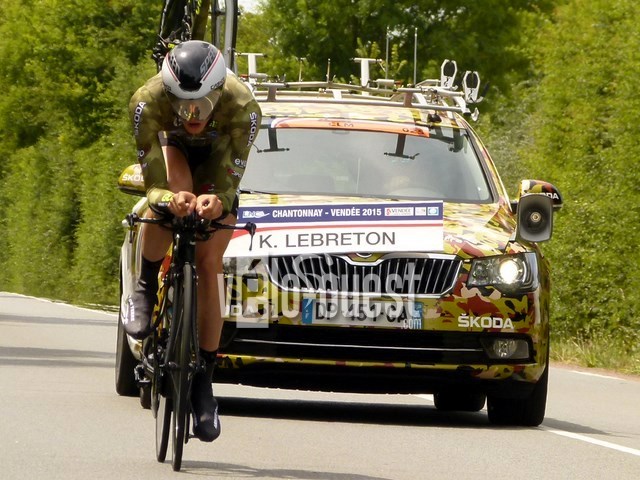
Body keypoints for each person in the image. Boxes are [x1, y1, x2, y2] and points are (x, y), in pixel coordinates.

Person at [125, 39, 261, 442]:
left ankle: (204, 379)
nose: (192, 115)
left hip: (220, 155)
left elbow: (229, 183)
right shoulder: (147, 102)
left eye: (202, 104)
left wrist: (219, 202)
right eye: (183, 105)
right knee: (173, 199)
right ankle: (145, 285)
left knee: (209, 262)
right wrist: (167, 199)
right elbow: (153, 184)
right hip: (174, 151)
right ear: (168, 95)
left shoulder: (243, 107)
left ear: (219, 92)